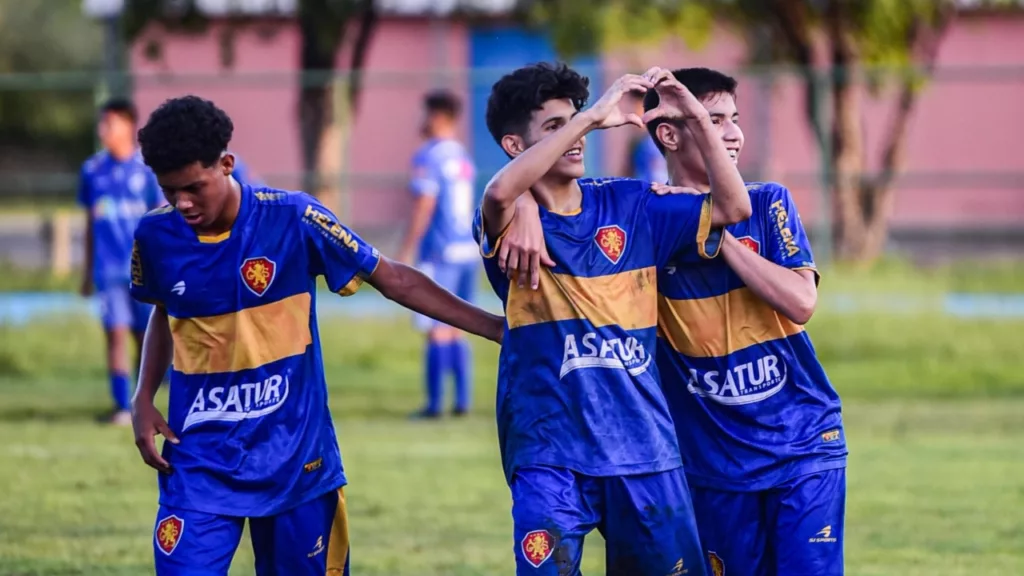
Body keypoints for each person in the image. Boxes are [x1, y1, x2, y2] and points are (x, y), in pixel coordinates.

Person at [128, 95, 504, 576]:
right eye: (169, 190)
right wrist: (143, 396)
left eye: (194, 188)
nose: (182, 203)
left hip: (294, 458)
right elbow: (165, 309)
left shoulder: (294, 219)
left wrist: (497, 329)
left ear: (227, 164)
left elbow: (392, 278)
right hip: (200, 457)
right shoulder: (155, 235)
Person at [498, 67, 848, 576]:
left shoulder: (768, 202)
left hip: (803, 444)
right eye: (713, 119)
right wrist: (525, 201)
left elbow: (800, 301)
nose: (730, 133)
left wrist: (715, 237)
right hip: (711, 462)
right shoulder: (645, 222)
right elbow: (548, 202)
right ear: (668, 133)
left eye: (733, 120)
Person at [476, 62, 751, 575]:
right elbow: (498, 195)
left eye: (574, 119)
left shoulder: (631, 204)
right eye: (555, 128)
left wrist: (694, 112)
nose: (578, 135)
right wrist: (595, 117)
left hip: (644, 450)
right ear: (517, 147)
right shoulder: (511, 222)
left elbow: (733, 208)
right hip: (549, 453)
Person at [78, 97, 163, 425]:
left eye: (109, 123)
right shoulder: (92, 170)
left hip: (144, 271)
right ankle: (120, 408)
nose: (103, 130)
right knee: (114, 333)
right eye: (101, 123)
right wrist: (87, 271)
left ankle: (148, 398)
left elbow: (160, 219)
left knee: (146, 337)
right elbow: (89, 224)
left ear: (129, 126)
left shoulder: (146, 171)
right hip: (108, 271)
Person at [397, 90, 479, 419]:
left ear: (439, 116)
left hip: (441, 252)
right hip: (467, 251)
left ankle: (434, 405)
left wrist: (408, 248)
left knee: (435, 327)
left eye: (427, 114)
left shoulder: (427, 157)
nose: (422, 121)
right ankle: (461, 401)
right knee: (458, 325)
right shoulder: (462, 156)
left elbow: (425, 204)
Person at [629, 97, 669, 184]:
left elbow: (658, 177)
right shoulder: (639, 143)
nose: (634, 114)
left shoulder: (655, 144)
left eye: (639, 110)